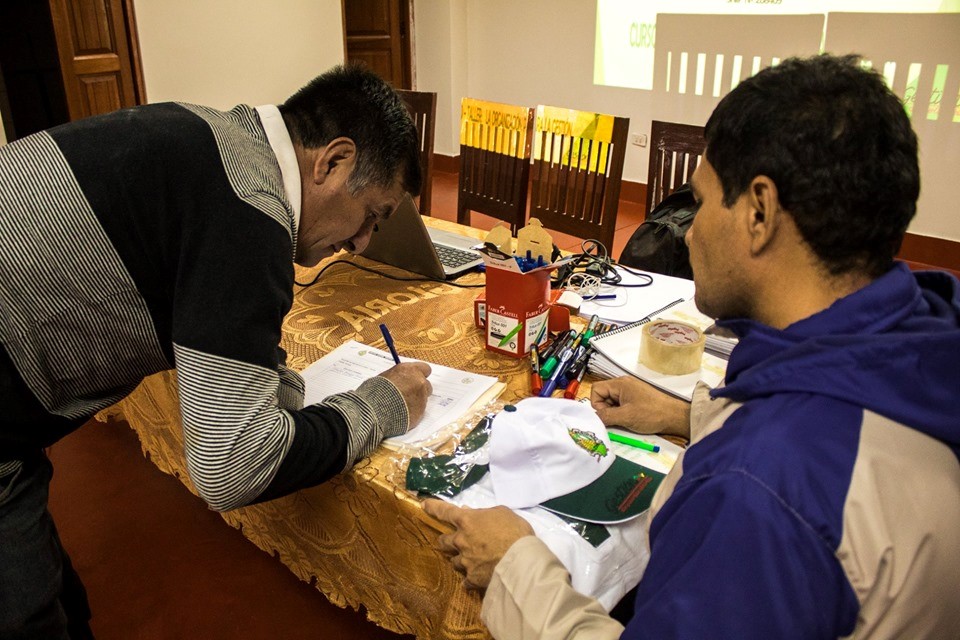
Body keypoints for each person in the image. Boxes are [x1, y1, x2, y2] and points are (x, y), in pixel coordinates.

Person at [424, 54, 960, 639]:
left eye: (700, 204)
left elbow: (789, 476)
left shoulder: (758, 493)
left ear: (760, 212)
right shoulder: (920, 347)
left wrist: (517, 567)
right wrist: (690, 416)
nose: (691, 232)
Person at [0, 64, 433, 638]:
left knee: (60, 602)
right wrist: (381, 406)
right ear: (333, 161)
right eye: (372, 216)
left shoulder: (219, 138)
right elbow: (230, 468)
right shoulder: (249, 210)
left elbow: (208, 317)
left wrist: (274, 381)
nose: (361, 243)